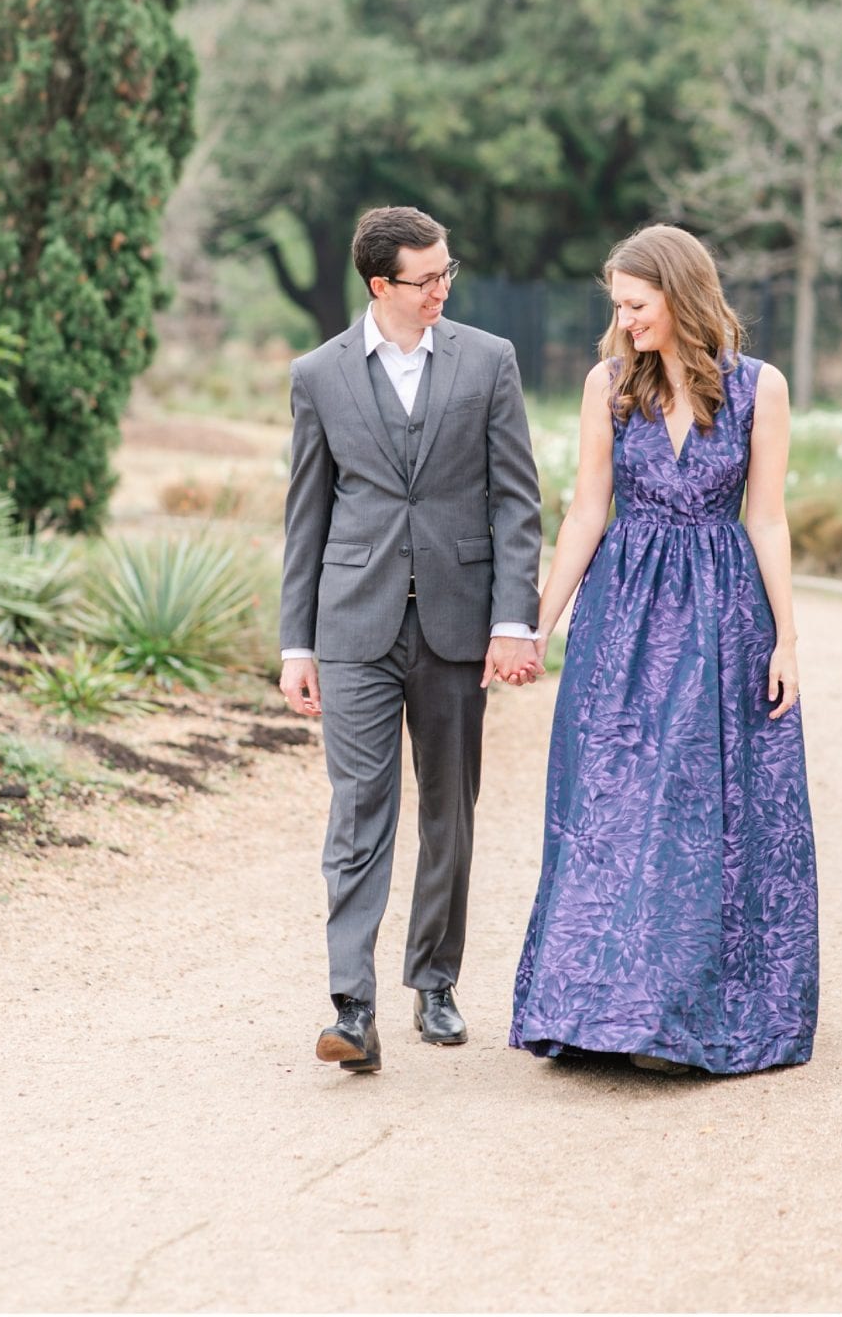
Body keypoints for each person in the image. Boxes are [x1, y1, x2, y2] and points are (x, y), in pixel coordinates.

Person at [510, 224, 818, 1075]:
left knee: (698, 811)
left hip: (725, 617)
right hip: (625, 615)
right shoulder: (607, 385)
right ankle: (590, 1009)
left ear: (681, 296)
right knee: (610, 800)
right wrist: (536, 624)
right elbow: (585, 512)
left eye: (636, 304)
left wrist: (787, 637)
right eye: (618, 305)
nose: (624, 319)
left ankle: (677, 1016)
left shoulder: (762, 388)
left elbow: (767, 517)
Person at [280, 206, 543, 1075]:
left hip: (458, 625)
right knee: (359, 812)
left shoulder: (488, 361)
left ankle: (434, 979)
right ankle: (351, 1007)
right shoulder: (318, 375)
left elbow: (515, 500)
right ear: (378, 285)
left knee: (448, 810)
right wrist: (296, 644)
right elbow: (306, 516)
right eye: (424, 279)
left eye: (446, 275)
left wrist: (513, 620)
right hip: (353, 625)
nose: (440, 290)